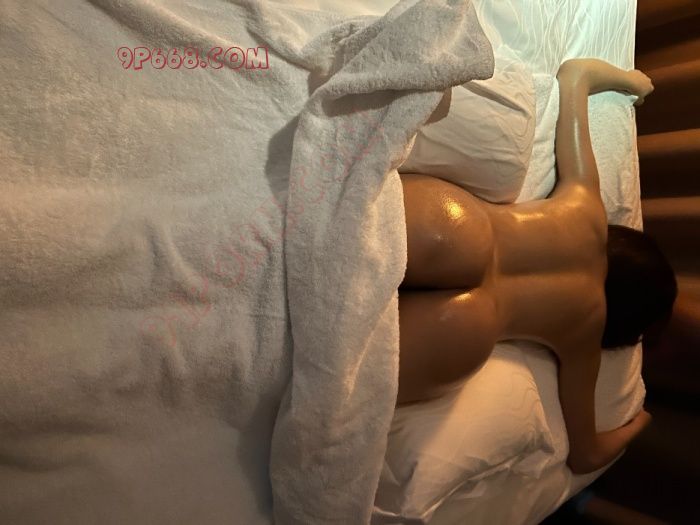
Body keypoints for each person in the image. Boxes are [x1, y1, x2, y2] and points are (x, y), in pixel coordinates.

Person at [397, 58, 677, 475]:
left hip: (460, 227)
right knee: (319, 356)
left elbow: (576, 75)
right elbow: (586, 456)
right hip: (466, 331)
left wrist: (632, 81)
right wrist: (640, 422)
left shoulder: (586, 210)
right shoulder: (586, 334)